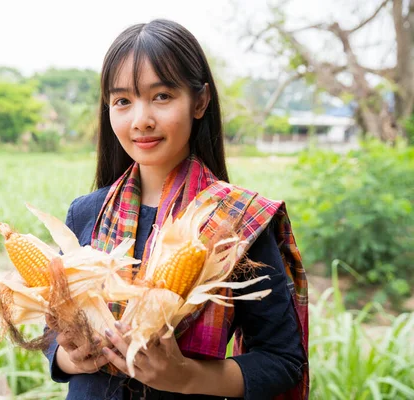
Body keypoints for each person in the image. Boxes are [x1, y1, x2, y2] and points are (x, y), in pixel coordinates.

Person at [43, 19, 309, 400]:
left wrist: (184, 376)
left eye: (162, 96)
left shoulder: (238, 220)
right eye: (122, 101)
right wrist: (70, 358)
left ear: (199, 102)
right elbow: (54, 328)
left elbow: (282, 360)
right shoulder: (85, 213)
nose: (141, 120)